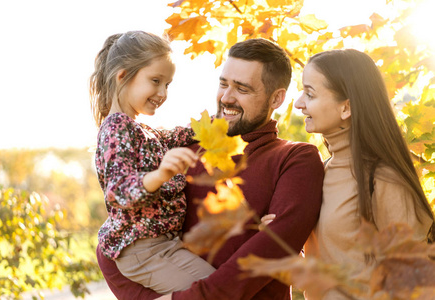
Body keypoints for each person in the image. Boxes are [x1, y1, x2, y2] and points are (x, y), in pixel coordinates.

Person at [96, 38, 325, 300]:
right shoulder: (184, 155)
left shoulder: (295, 158)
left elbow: (271, 254)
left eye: (242, 88)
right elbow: (115, 243)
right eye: (223, 84)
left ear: (276, 98)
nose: (226, 98)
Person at [293, 49, 435, 299]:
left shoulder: (383, 179)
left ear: (346, 107)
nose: (298, 103)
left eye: (310, 93)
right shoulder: (322, 172)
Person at [89, 30, 216, 294]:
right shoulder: (115, 128)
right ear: (123, 76)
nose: (162, 92)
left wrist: (217, 122)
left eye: (167, 84)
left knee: (217, 288)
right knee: (214, 292)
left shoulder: (141, 130)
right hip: (143, 250)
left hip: (162, 245)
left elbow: (175, 136)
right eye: (155, 81)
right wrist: (160, 175)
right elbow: (119, 191)